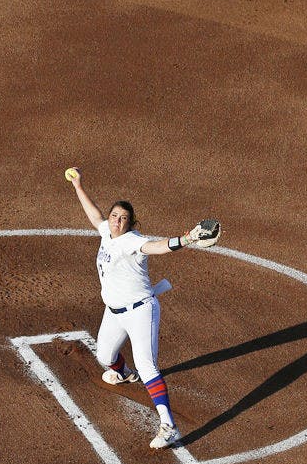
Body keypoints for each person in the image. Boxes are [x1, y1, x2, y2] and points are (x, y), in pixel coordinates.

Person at [66, 167, 219, 449]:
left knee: (147, 366)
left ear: (130, 223)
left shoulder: (133, 241)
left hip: (140, 312)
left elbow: (157, 247)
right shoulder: (106, 231)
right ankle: (124, 374)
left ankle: (169, 426)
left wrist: (186, 240)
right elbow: (94, 216)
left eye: (123, 218)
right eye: (114, 216)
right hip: (114, 312)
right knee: (105, 356)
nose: (117, 221)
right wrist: (78, 186)